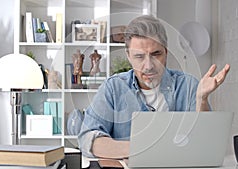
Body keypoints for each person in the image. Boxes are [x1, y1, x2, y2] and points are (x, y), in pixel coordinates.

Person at [78, 15, 230, 158]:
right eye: (139, 56)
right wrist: (141, 149)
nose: (149, 66)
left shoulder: (189, 86)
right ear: (128, 56)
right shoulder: (113, 88)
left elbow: (204, 142)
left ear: (166, 52)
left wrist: (202, 99)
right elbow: (87, 138)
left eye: (156, 54)